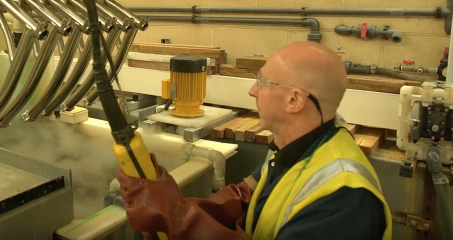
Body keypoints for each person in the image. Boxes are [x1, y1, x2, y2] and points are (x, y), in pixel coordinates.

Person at [116, 41, 393, 240]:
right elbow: (251, 195)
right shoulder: (300, 146)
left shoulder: (343, 200)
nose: (252, 91)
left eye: (262, 82)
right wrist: (176, 206)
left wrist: (180, 220)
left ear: (294, 100)